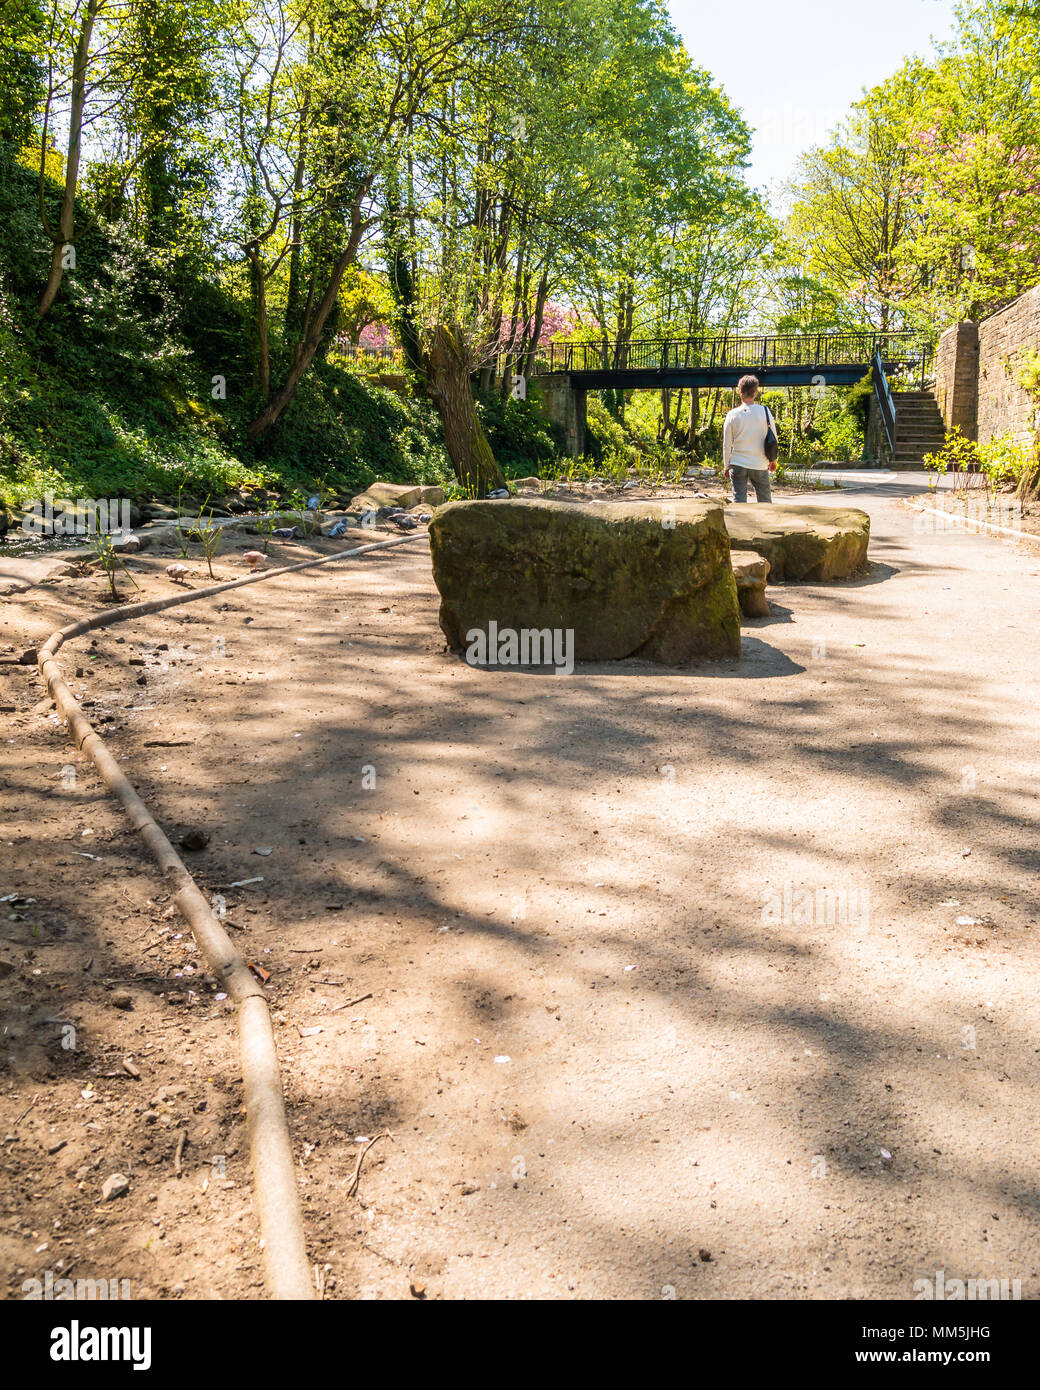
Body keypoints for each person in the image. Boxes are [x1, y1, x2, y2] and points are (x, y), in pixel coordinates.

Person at [723, 375, 777, 503]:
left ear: (739, 392)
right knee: (765, 502)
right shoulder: (765, 411)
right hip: (759, 463)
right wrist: (773, 460)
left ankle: (739, 522)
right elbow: (774, 437)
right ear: (756, 392)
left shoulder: (732, 414)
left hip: (738, 464)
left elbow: (727, 444)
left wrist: (726, 466)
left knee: (739, 501)